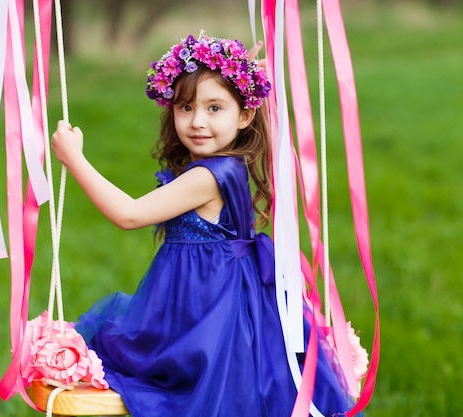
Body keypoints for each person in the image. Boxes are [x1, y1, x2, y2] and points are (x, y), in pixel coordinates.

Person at [51, 33, 358, 417]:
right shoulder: (225, 164)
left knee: (196, 391)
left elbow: (128, 214)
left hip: (207, 314)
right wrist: (241, 68)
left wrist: (74, 159)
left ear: (245, 115)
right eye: (186, 107)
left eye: (215, 108)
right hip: (201, 301)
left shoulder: (207, 177)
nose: (198, 121)